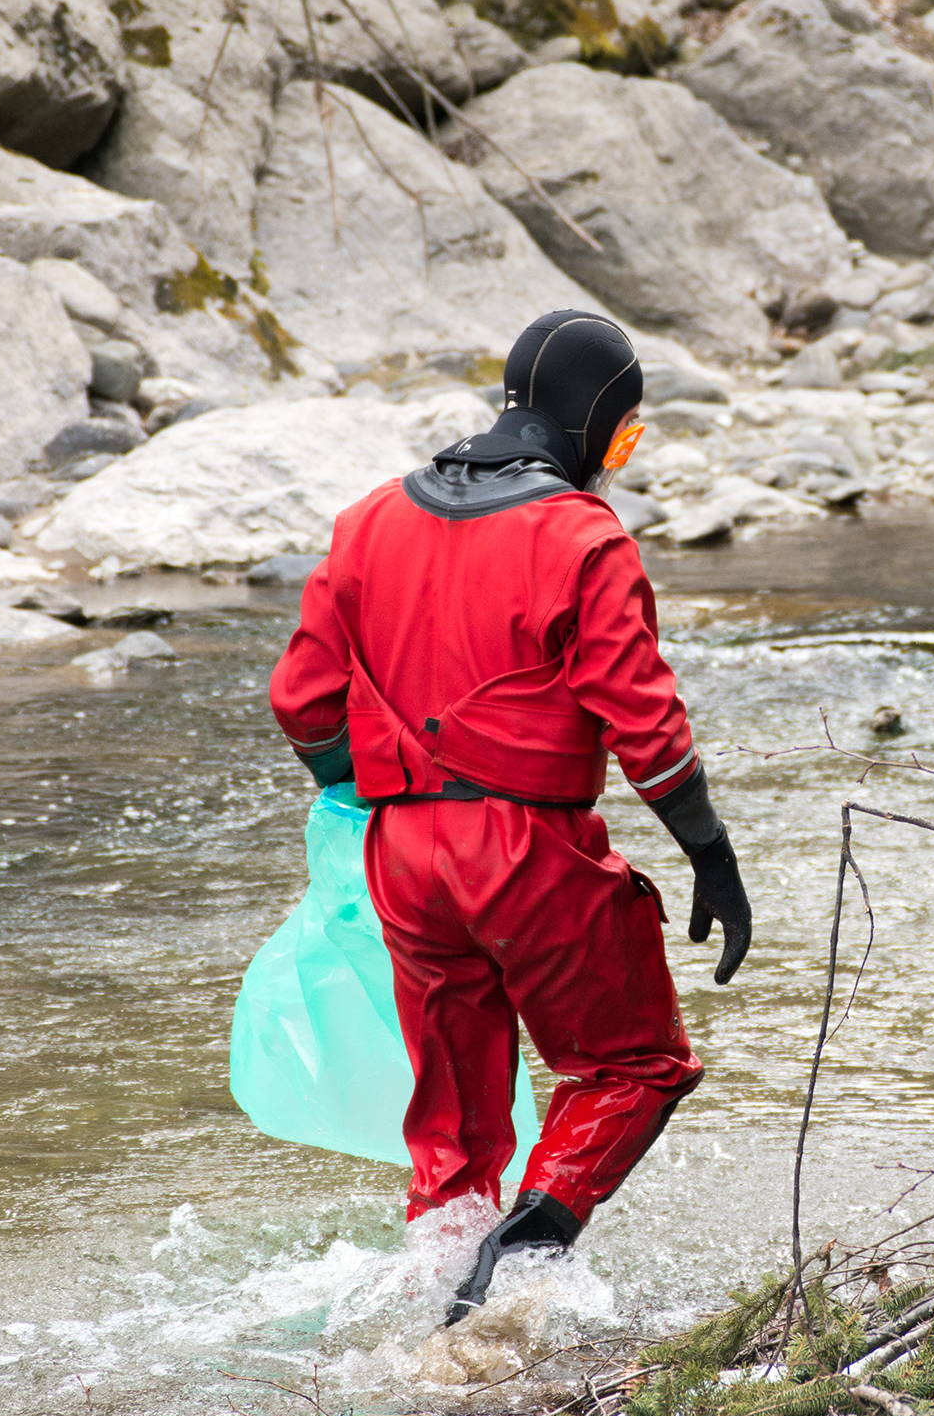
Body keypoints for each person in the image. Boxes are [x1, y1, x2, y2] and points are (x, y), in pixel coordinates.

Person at [267, 309, 753, 1324]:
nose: (616, 463)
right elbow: (644, 724)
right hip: (532, 857)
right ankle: (523, 1258)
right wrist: (709, 853)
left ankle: (435, 1302)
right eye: (624, 438)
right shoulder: (584, 538)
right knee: (637, 1064)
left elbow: (303, 702)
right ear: (593, 424)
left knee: (454, 1126)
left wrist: (371, 789)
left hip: (402, 858)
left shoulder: (366, 521)